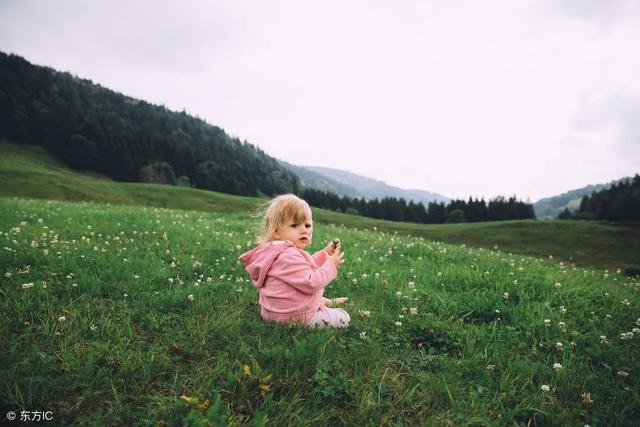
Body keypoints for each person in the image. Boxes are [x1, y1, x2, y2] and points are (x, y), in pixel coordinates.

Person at [239, 194, 350, 328]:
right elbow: (311, 283)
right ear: (276, 232)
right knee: (344, 318)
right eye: (295, 225)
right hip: (294, 317)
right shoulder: (288, 256)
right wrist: (330, 265)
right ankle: (318, 308)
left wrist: (324, 254)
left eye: (307, 225)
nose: (304, 230)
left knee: (313, 298)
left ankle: (322, 302)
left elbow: (302, 269)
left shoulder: (278, 251)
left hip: (275, 313)